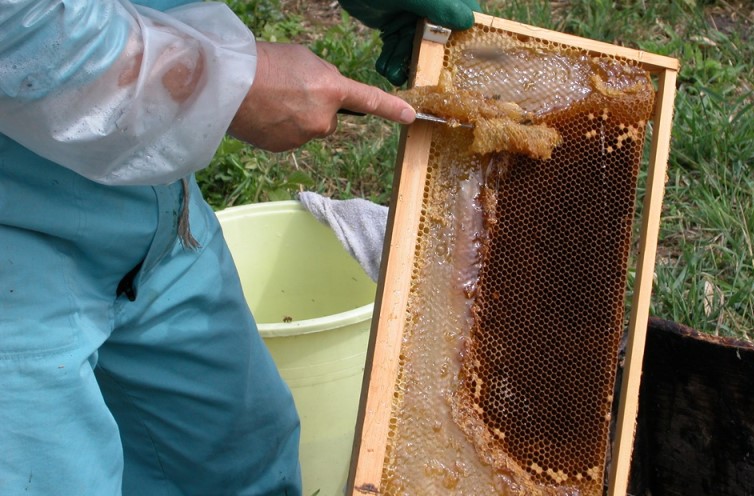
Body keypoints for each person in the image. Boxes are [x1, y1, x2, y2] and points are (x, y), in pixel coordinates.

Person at [0, 0, 479, 494]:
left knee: (244, 458)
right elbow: (23, 30)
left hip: (155, 210)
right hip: (15, 249)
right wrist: (232, 84)